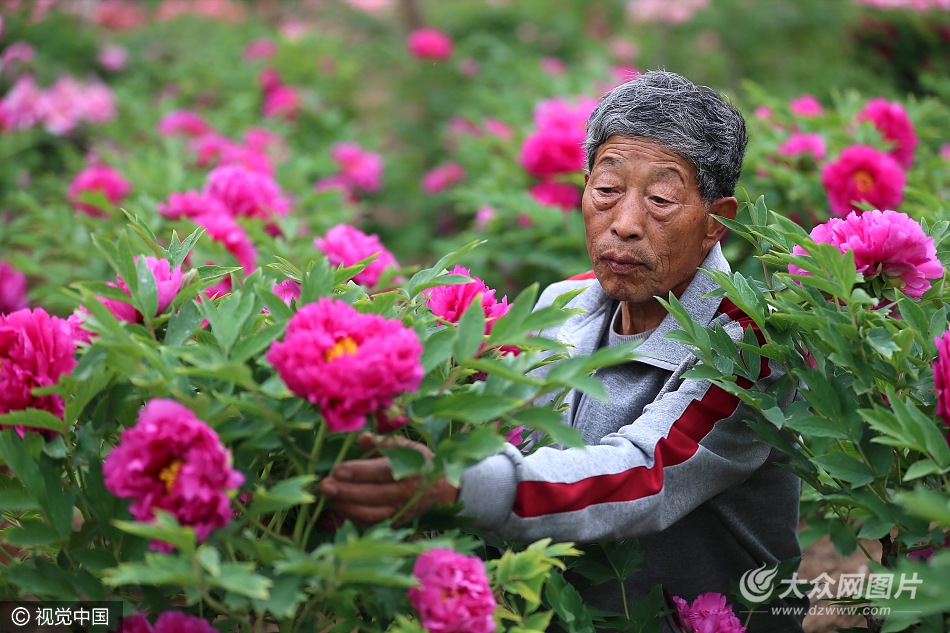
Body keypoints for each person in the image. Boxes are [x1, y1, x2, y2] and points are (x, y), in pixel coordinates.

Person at [318, 70, 806, 632]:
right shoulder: (562, 303)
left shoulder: (747, 346)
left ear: (716, 222)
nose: (624, 224)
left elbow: (644, 473)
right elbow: (496, 428)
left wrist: (462, 484)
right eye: (607, 190)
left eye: (661, 200)